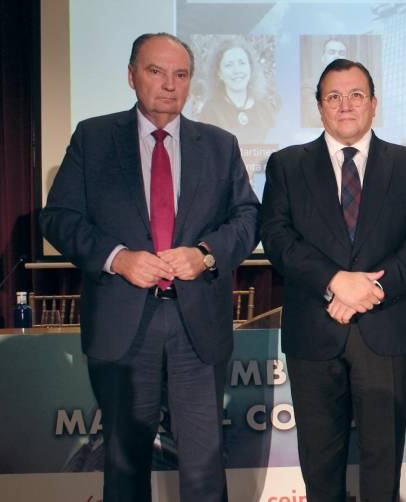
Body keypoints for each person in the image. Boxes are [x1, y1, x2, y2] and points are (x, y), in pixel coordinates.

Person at [41, 33, 260, 501]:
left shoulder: (220, 145)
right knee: (123, 465)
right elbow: (58, 218)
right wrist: (118, 258)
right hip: (123, 326)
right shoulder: (94, 138)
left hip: (197, 326)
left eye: (180, 75)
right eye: (155, 72)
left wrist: (203, 255)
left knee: (204, 469)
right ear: (131, 76)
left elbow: (248, 218)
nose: (169, 85)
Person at [260, 59, 406, 501]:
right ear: (319, 106)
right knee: (320, 465)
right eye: (333, 96)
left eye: (356, 94)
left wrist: (372, 289)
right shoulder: (286, 165)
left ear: (374, 104)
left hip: (386, 329)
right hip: (315, 331)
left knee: (383, 464)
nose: (345, 105)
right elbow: (277, 238)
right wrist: (335, 281)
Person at [199, 39, 276, 143]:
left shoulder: (265, 108)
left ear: (250, 68)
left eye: (242, 63)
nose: (237, 70)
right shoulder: (211, 110)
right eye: (229, 65)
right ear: (219, 73)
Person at [301, 38, 349, 127]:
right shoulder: (309, 85)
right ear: (323, 58)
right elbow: (317, 119)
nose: (337, 56)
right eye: (331, 52)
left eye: (341, 53)